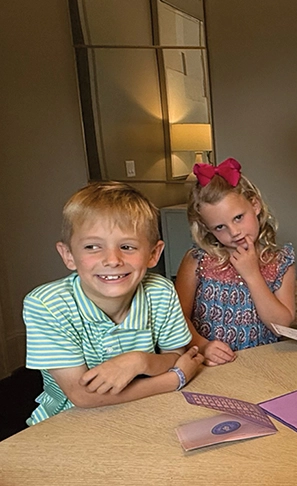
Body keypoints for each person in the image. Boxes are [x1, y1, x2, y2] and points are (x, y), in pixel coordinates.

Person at [23, 182, 203, 425]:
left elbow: (175, 354)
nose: (112, 260)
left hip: (145, 414)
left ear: (153, 254)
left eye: (127, 247)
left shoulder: (160, 292)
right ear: (68, 255)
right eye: (92, 247)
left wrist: (139, 361)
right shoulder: (46, 305)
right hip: (67, 425)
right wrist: (175, 379)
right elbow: (83, 396)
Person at [175, 158, 296, 365]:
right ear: (207, 228)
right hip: (211, 366)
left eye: (238, 217)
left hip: (266, 366)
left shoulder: (280, 261)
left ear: (255, 205)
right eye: (220, 227)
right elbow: (177, 318)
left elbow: (282, 324)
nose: (234, 232)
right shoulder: (198, 260)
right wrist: (203, 346)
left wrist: (252, 275)